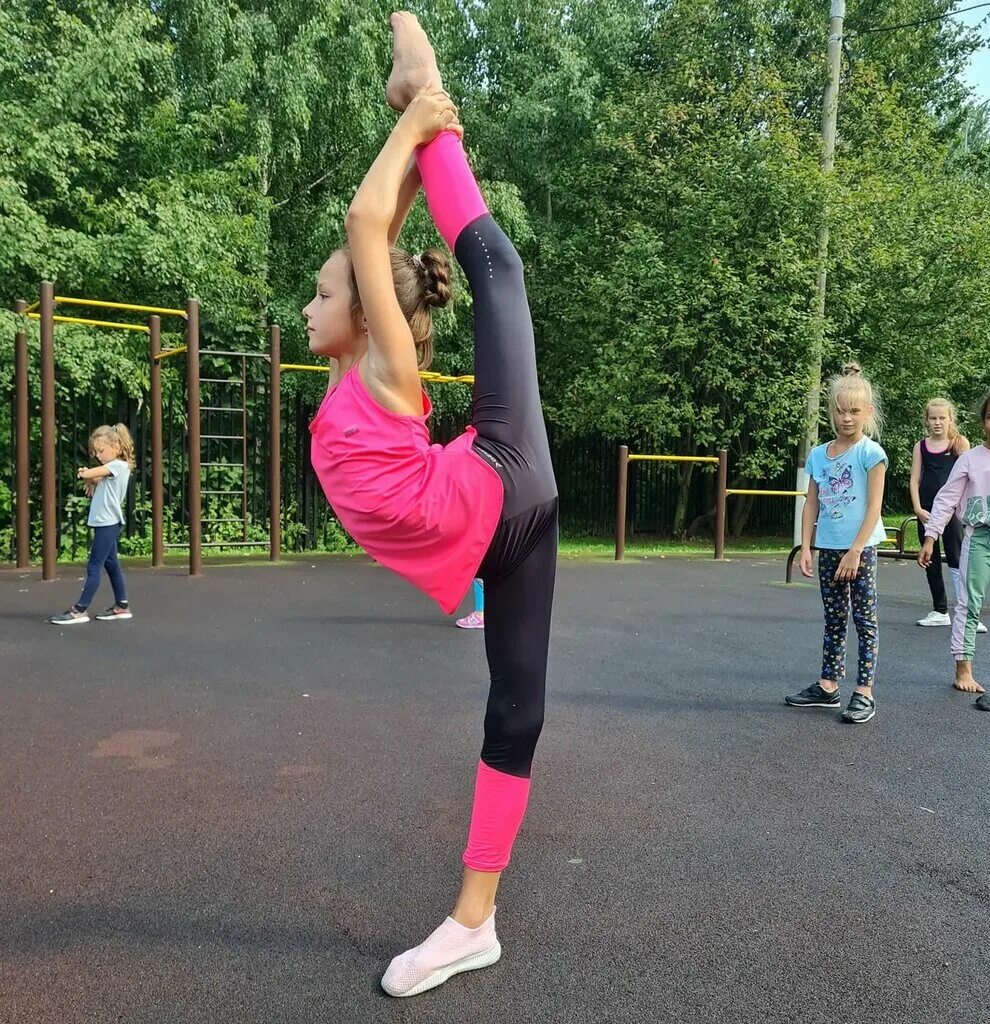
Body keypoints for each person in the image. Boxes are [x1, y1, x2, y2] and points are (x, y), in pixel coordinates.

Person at [305, 12, 557, 997]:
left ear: (366, 322)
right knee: (514, 710)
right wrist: (406, 153)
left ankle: (427, 77)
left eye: (323, 295)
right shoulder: (357, 372)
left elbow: (366, 230)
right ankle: (474, 922)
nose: (311, 307)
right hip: (504, 534)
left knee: (501, 265)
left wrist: (414, 127)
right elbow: (380, 233)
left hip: (503, 474)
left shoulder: (386, 369)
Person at [786, 364, 888, 724]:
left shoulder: (870, 453)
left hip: (859, 549)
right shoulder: (818, 455)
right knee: (834, 617)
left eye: (855, 411)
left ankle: (864, 692)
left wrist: (856, 550)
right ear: (831, 411)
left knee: (864, 619)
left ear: (867, 413)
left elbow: (875, 507)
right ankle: (828, 686)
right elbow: (811, 503)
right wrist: (807, 546)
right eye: (840, 410)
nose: (847, 418)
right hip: (828, 547)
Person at [918, 384, 990, 696]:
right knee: (969, 603)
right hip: (978, 538)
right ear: (983, 422)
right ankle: (963, 668)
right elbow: (946, 500)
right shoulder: (970, 459)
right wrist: (930, 536)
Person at [909, 399, 986, 631]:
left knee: (957, 558)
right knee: (929, 560)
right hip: (926, 511)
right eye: (933, 418)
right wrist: (917, 507)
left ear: (950, 419)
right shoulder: (920, 446)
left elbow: (971, 476)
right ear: (926, 420)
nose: (938, 422)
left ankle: (969, 612)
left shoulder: (958, 443)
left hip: (952, 511)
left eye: (942, 418)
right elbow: (914, 479)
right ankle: (940, 610)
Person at [50, 424, 135, 624]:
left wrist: (84, 473)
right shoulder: (112, 470)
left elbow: (90, 474)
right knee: (111, 564)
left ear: (117, 448)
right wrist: (91, 479)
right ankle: (122, 606)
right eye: (95, 452)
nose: (98, 455)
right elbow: (96, 478)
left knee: (94, 565)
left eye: (101, 450)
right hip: (106, 523)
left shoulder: (118, 465)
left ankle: (79, 610)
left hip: (108, 523)